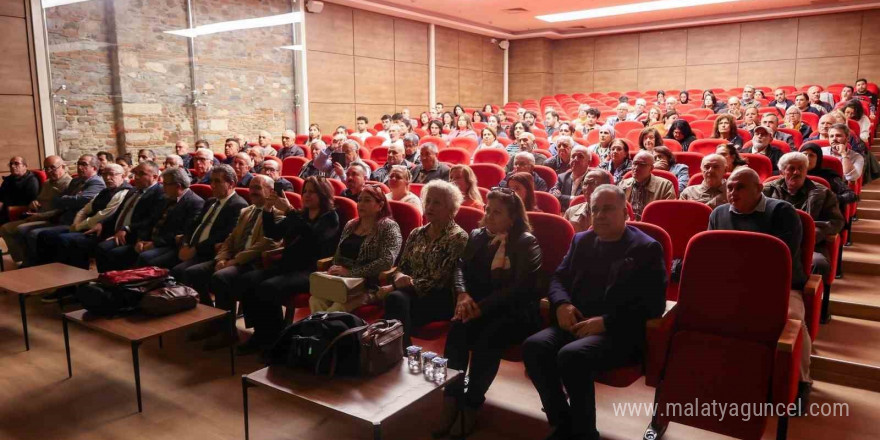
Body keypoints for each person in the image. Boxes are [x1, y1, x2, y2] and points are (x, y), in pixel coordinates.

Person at [523, 184, 666, 440]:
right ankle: (563, 422)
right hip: (577, 322)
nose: (599, 215)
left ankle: (584, 432)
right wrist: (562, 304)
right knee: (534, 346)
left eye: (608, 209)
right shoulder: (582, 240)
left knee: (572, 356)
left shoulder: (646, 249)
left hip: (619, 332)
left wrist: (606, 323)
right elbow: (558, 278)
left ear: (625, 212)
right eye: (595, 209)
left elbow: (653, 304)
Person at [434, 187, 542, 439]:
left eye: (497, 212)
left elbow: (519, 289)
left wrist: (479, 308)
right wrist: (462, 295)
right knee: (458, 329)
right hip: (476, 305)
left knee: (489, 337)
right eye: (487, 210)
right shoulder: (478, 235)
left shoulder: (526, 242)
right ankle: (451, 400)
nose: (489, 216)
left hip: (513, 312)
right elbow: (460, 268)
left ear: (512, 218)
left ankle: (472, 403)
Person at [708, 167, 813, 409]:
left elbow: (781, 258)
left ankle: (800, 383)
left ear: (758, 189)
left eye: (740, 187)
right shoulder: (719, 213)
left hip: (779, 285)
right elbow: (712, 253)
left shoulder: (781, 211)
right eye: (730, 187)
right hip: (733, 284)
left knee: (792, 320)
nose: (733, 192)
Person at [238, 177, 341, 353]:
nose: (307, 195)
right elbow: (274, 233)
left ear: (323, 194)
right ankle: (261, 333)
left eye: (312, 192)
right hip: (289, 265)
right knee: (248, 280)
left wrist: (289, 211)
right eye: (305, 191)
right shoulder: (301, 214)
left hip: (311, 270)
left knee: (268, 287)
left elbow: (314, 239)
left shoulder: (330, 217)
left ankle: (275, 339)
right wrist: (269, 209)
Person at [181, 175, 283, 348]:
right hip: (232, 258)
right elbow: (230, 239)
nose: (252, 191)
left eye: (257, 187)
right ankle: (213, 320)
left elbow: (266, 243)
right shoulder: (247, 211)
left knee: (221, 277)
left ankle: (227, 332)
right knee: (192, 273)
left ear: (270, 191)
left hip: (254, 262)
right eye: (251, 187)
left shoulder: (278, 214)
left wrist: (234, 261)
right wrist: (222, 258)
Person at [378, 180, 468, 346]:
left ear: (450, 208)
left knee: (395, 300)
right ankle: (399, 350)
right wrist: (399, 276)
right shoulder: (417, 233)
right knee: (395, 302)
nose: (430, 206)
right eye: (428, 201)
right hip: (408, 293)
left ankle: (399, 352)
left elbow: (439, 280)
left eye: (437, 202)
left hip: (439, 297)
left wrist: (397, 285)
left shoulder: (458, 237)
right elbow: (402, 266)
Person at [308, 185, 402, 312]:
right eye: (359, 200)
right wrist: (334, 269)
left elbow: (386, 262)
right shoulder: (351, 224)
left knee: (337, 307)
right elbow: (339, 254)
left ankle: (328, 330)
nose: (361, 204)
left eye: (367, 200)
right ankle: (325, 331)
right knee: (315, 299)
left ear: (380, 205)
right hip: (342, 282)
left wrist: (351, 273)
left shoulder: (389, 227)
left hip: (369, 285)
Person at [763, 152, 843, 287]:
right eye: (791, 168)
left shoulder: (823, 192)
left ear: (807, 170)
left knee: (818, 263)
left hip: (808, 245)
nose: (796, 172)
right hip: (774, 242)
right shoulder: (767, 190)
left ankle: (807, 301)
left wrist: (812, 234)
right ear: (782, 171)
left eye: (801, 168)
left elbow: (836, 221)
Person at [21, 155, 106, 269]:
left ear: (94, 168)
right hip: (65, 218)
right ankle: (43, 267)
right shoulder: (76, 181)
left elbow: (80, 201)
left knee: (42, 235)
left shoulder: (97, 182)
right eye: (78, 164)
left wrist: (68, 199)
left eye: (84, 164)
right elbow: (59, 200)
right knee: (41, 235)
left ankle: (50, 267)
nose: (79, 167)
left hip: (79, 222)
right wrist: (69, 199)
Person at [171, 164, 248, 275]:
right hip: (190, 247)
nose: (212, 185)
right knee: (155, 262)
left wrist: (195, 249)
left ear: (231, 184)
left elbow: (224, 235)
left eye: (217, 181)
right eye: (211, 181)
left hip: (209, 252)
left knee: (179, 271)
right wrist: (185, 243)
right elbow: (195, 224)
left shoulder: (238, 204)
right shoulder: (211, 201)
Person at [92, 161, 166, 272]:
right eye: (135, 173)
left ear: (155, 177)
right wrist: (101, 223)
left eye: (141, 174)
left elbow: (151, 219)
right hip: (117, 230)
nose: (136, 177)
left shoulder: (159, 193)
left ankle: (112, 283)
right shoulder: (133, 190)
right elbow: (118, 212)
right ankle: (99, 280)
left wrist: (127, 228)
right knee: (89, 244)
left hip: (135, 235)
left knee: (108, 250)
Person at [0, 156, 71, 262]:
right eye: (46, 168)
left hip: (51, 219)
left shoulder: (69, 183)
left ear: (63, 167)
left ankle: (33, 261)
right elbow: (38, 200)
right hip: (36, 215)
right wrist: (34, 203)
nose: (49, 171)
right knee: (5, 228)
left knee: (21, 229)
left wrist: (39, 216)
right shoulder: (47, 183)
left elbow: (63, 209)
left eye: (53, 168)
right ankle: (21, 259)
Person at [133, 167, 205, 268]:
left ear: (178, 186)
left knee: (145, 257)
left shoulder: (195, 203)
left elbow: (184, 232)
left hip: (172, 245)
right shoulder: (166, 198)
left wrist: (155, 243)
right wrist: (141, 239)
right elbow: (152, 221)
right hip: (153, 241)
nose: (163, 187)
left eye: (165, 184)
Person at [618, 151, 676, 220]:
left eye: (642, 165)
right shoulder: (622, 184)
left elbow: (667, 215)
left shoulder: (665, 186)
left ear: (651, 168)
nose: (636, 168)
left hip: (652, 227)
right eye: (635, 163)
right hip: (627, 226)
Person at [799, 143, 857, 208]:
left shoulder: (828, 175)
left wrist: (829, 199)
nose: (807, 158)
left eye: (811, 155)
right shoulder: (793, 174)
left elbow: (851, 195)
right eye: (804, 155)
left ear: (818, 159)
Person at [0, 156, 40, 223]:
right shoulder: (8, 179)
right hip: (5, 208)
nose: (12, 166)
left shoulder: (31, 180)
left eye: (16, 163)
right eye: (11, 164)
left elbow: (32, 203)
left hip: (18, 211)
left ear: (25, 166)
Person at [552, 146, 592, 211]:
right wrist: (572, 198)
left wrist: (561, 197)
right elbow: (552, 193)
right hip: (564, 213)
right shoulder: (562, 177)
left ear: (589, 162)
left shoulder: (593, 178)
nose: (575, 159)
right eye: (573, 156)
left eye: (580, 156)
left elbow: (584, 201)